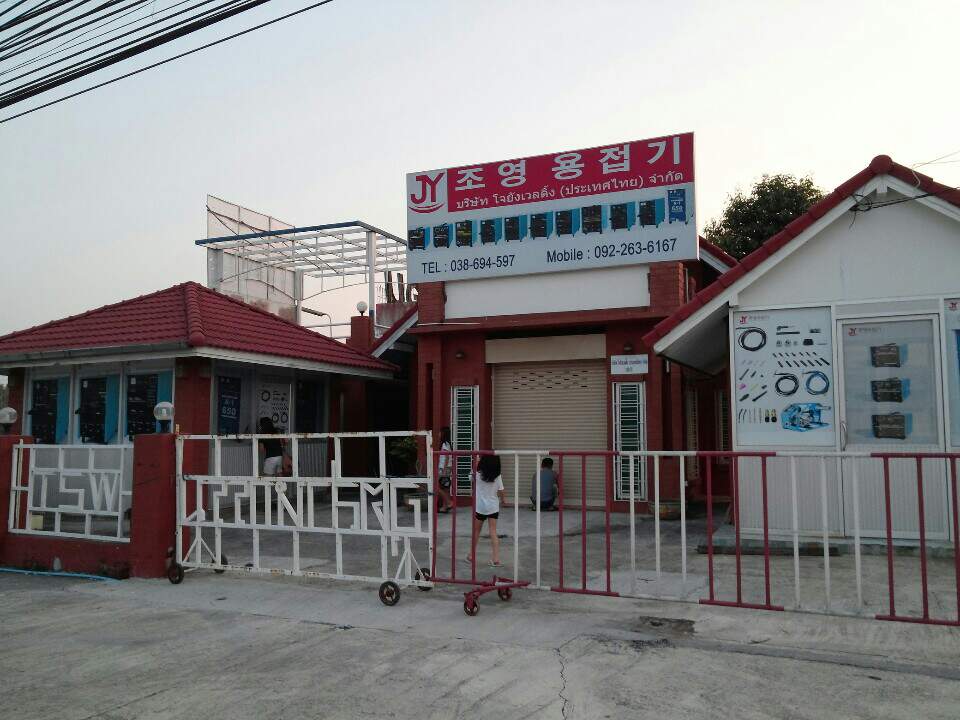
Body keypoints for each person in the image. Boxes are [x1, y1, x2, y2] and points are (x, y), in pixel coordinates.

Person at [467, 454, 505, 567]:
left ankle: (471, 555)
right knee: (493, 532)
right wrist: (503, 500)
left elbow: (470, 478)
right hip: (493, 507)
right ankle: (496, 559)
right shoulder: (497, 475)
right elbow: (502, 490)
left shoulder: (477, 474)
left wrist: (475, 464)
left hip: (480, 508)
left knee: (476, 531)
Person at [436, 426, 453, 513]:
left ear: (443, 434)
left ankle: (449, 502)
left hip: (444, 468)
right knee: (445, 487)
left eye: (440, 432)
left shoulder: (444, 444)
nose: (439, 434)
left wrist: (444, 470)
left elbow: (446, 457)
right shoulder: (447, 444)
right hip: (447, 467)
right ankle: (444, 507)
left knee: (436, 487)